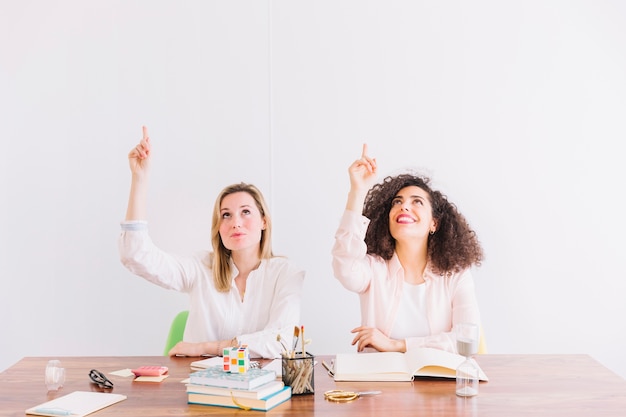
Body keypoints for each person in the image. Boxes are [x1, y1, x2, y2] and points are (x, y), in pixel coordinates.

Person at [119, 126, 304, 358]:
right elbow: (136, 256)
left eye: (245, 212)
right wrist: (140, 179)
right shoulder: (201, 267)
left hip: (260, 389)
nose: (235, 222)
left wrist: (205, 348)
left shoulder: (286, 274)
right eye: (226, 215)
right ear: (219, 227)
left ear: (264, 221)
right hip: (201, 385)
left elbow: (283, 342)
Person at [332, 144, 484, 354]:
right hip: (382, 383)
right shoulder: (373, 268)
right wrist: (357, 192)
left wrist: (396, 345)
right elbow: (344, 267)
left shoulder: (456, 275)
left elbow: (467, 338)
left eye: (417, 202)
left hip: (437, 383)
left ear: (434, 224)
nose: (404, 206)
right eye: (397, 202)